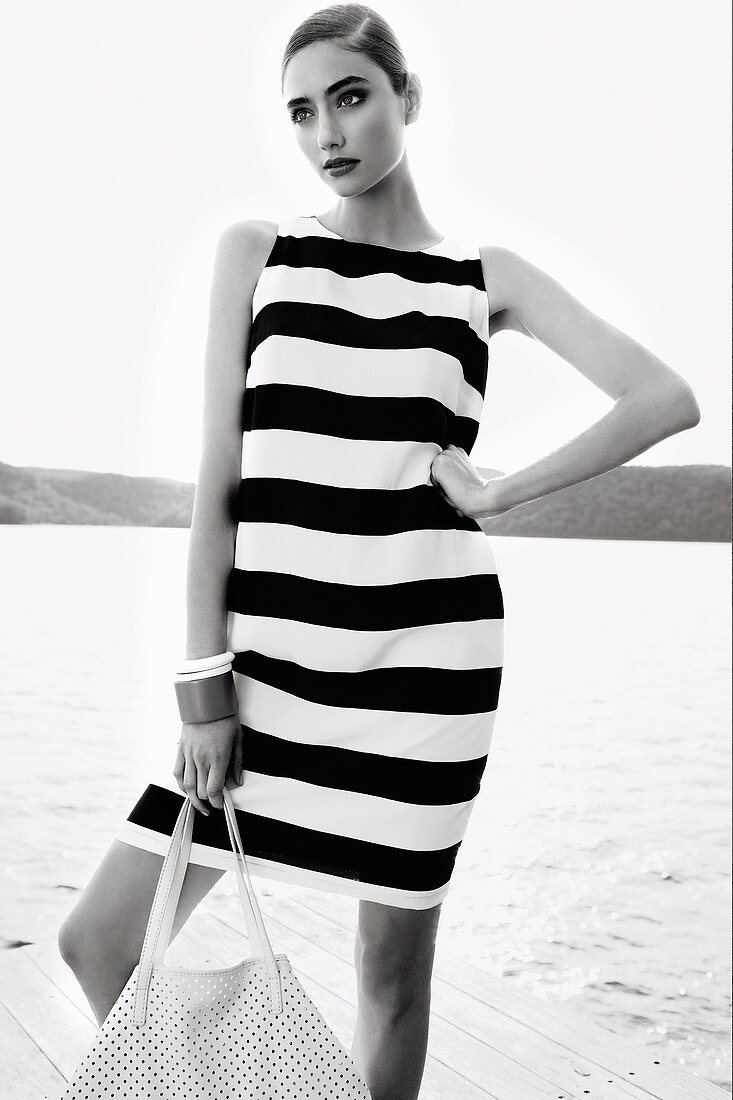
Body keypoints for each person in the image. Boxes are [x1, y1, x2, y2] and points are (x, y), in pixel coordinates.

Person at [56, 5, 701, 1098]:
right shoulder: (258, 251)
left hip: (423, 676)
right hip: (260, 674)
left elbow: (663, 397)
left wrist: (497, 491)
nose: (326, 134)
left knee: (391, 979)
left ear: (409, 97)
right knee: (100, 935)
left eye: (350, 97)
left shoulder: (478, 275)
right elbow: (221, 478)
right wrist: (202, 686)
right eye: (302, 112)